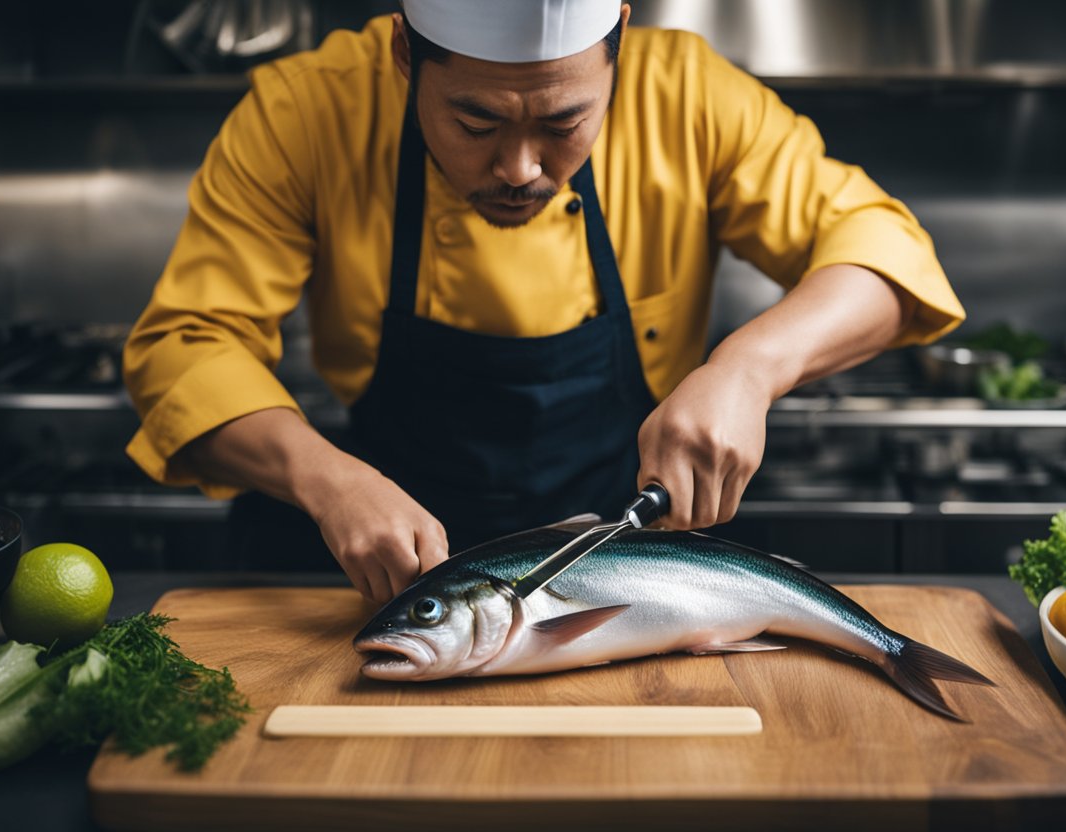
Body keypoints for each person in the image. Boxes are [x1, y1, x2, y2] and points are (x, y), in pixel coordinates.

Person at [123, 0, 965, 604]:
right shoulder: (304, 113)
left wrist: (748, 369)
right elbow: (187, 346)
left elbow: (885, 255)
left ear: (620, 41)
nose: (520, 167)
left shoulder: (691, 97)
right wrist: (325, 479)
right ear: (403, 55)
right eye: (476, 123)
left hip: (626, 550)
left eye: (563, 122)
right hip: (378, 559)